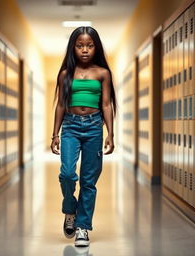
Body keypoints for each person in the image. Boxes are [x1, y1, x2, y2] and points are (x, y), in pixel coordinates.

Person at [50, 26, 117, 247]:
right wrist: (55, 134)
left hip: (94, 127)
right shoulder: (65, 74)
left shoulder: (102, 73)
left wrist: (111, 133)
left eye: (89, 45)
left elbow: (106, 104)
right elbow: (60, 104)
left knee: (89, 181)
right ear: (73, 47)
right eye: (80, 46)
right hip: (70, 126)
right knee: (68, 174)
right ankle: (70, 209)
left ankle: (82, 227)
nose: (85, 50)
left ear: (95, 47)